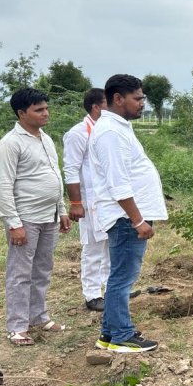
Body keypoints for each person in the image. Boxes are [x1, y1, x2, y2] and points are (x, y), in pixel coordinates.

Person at [90, 75, 167, 353]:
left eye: (143, 98)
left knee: (120, 276)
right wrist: (138, 220)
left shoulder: (118, 128)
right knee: (122, 278)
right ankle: (122, 335)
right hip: (126, 219)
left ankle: (109, 334)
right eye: (137, 98)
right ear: (118, 99)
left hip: (128, 217)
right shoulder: (110, 133)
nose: (142, 104)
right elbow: (117, 183)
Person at [0, 88, 72, 346]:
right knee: (20, 272)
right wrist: (13, 223)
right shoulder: (10, 144)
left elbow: (55, 175)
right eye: (39, 110)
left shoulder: (45, 139)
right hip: (25, 218)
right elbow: (3, 186)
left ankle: (38, 317)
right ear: (21, 113)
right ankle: (17, 326)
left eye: (46, 108)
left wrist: (61, 210)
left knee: (43, 268)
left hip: (48, 216)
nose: (45, 113)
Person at [62, 88, 109, 312]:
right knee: (93, 247)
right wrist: (76, 203)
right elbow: (71, 170)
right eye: (108, 104)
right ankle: (92, 294)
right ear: (96, 107)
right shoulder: (78, 133)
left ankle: (112, 288)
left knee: (112, 245)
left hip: (110, 200)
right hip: (90, 200)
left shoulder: (107, 130)